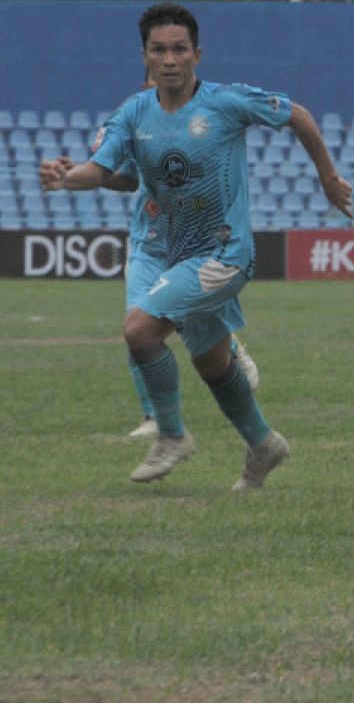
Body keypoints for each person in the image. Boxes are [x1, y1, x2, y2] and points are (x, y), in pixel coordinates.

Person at [39, 1, 352, 489]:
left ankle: (171, 435)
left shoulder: (226, 102)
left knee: (139, 331)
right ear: (144, 56)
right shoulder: (132, 112)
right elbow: (102, 170)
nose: (169, 59)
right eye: (159, 50)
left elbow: (298, 114)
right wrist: (65, 178)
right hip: (164, 248)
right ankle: (264, 444)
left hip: (222, 256)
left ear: (196, 55)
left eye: (179, 49)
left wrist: (328, 177)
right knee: (211, 361)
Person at [110, 68, 260, 438]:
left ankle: (229, 346)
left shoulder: (198, 124)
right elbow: (127, 179)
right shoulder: (140, 126)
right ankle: (154, 418)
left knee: (170, 331)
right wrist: (84, 176)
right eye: (147, 81)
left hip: (191, 243)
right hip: (149, 242)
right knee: (137, 326)